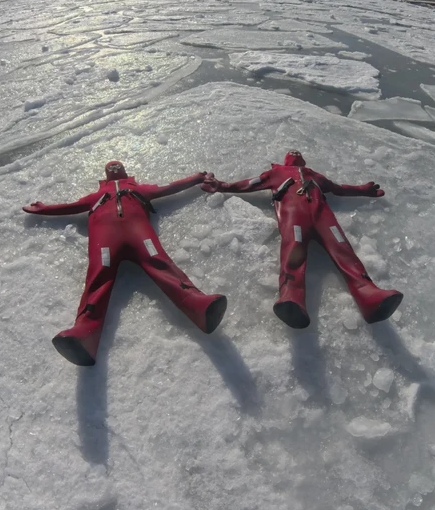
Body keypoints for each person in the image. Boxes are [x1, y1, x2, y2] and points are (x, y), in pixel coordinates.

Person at [23, 161, 227, 366]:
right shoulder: (95, 196)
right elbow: (72, 207)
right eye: (110, 167)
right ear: (105, 175)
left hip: (139, 235)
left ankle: (197, 305)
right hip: (106, 242)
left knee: (158, 261)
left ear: (126, 172)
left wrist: (196, 178)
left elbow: (167, 187)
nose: (113, 168)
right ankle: (84, 333)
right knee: (99, 274)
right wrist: (43, 209)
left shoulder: (139, 189)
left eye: (117, 166)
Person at [203, 150, 402, 328]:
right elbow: (250, 184)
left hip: (323, 217)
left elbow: (337, 188)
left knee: (343, 248)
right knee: (293, 249)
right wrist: (221, 185)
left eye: (299, 155)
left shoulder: (314, 176)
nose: (296, 155)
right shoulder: (275, 173)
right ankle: (291, 297)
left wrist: (362, 190)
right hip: (294, 217)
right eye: (293, 154)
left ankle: (368, 294)